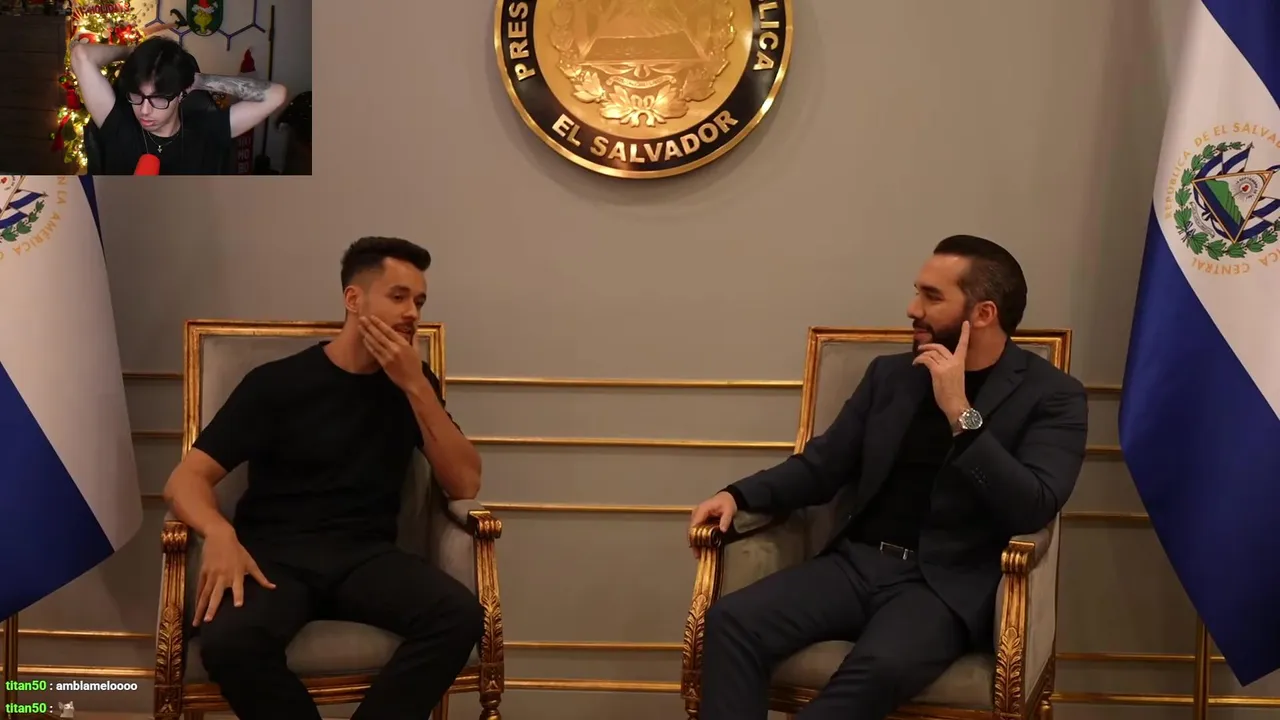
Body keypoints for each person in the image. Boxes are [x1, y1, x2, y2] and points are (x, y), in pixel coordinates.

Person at [689, 235, 1088, 720]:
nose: (912, 309)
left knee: (877, 668)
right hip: (856, 564)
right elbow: (822, 466)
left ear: (983, 313)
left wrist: (960, 413)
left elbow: (1033, 504)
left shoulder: (1054, 396)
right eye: (917, 292)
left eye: (932, 297)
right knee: (731, 622)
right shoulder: (891, 375)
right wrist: (738, 494)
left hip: (943, 586)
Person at [161, 237, 484, 720]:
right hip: (274, 557)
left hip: (366, 556)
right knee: (230, 644)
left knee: (459, 617)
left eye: (419, 301)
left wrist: (416, 384)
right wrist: (220, 533)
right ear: (354, 299)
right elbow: (185, 479)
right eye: (398, 296)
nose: (411, 313)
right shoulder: (277, 383)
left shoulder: (414, 385)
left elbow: (464, 484)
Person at [69, 36, 287, 174]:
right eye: (137, 96)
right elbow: (81, 54)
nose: (144, 110)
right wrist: (132, 52)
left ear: (182, 94)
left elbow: (276, 94)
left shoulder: (207, 129)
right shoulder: (118, 123)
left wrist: (200, 80)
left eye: (159, 98)